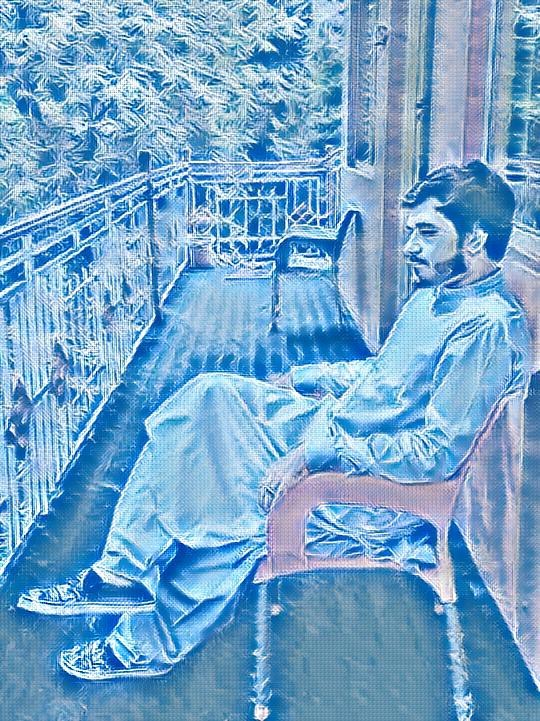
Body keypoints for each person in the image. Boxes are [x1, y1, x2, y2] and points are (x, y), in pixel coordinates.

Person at [18, 160, 531, 680]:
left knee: (215, 490)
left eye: (427, 233)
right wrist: (308, 376)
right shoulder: (437, 296)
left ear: (475, 239)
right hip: (336, 428)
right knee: (208, 397)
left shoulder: (485, 329)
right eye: (411, 232)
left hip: (372, 486)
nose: (409, 247)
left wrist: (314, 454)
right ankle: (121, 576)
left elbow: (433, 454)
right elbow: (385, 378)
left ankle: (135, 627)